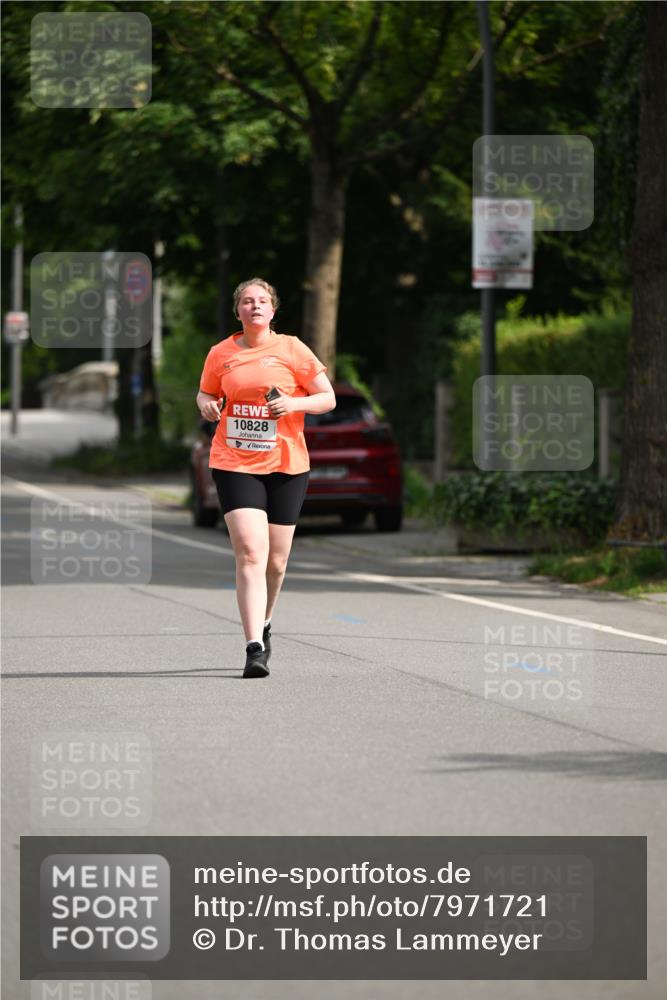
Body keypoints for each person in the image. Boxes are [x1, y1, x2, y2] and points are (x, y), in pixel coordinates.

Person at [196, 278, 336, 678]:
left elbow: (327, 397)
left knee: (276, 562)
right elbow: (205, 393)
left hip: (287, 463)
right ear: (237, 311)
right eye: (246, 301)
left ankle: (266, 621)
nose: (254, 307)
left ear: (273, 311)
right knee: (251, 554)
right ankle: (253, 646)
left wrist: (293, 402)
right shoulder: (220, 353)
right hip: (234, 461)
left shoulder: (292, 348)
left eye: (261, 301)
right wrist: (206, 404)